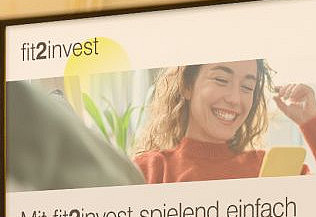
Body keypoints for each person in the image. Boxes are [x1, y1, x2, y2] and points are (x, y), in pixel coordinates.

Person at [130, 59, 316, 182]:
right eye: (221, 79)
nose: (235, 99)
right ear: (187, 86)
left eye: (247, 87)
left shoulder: (275, 171)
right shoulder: (149, 170)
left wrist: (311, 121)